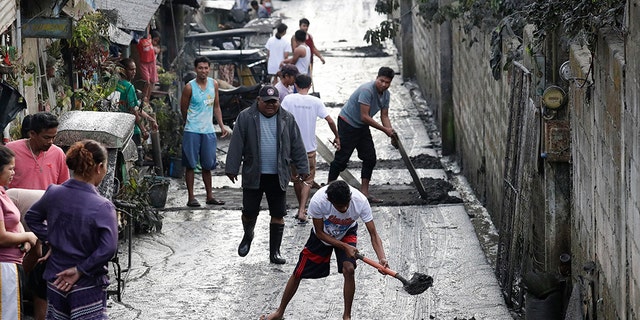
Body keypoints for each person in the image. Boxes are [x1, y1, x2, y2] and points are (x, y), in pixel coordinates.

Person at [260, 180, 389, 320]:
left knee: (349, 269)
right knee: (298, 272)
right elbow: (320, 232)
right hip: (322, 236)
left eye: (347, 204)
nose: (345, 209)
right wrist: (344, 246)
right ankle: (279, 312)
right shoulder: (319, 201)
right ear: (329, 200)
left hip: (347, 231)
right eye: (340, 206)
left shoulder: (361, 201)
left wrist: (381, 258)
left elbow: (374, 234)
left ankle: (347, 316)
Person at [25, 139, 118, 320]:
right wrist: (81, 269)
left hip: (55, 280)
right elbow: (108, 248)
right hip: (87, 284)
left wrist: (52, 238)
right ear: (99, 167)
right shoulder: (103, 206)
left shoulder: (54, 193)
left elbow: (32, 218)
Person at [225, 84, 309, 264]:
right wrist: (232, 167)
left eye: (274, 102)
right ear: (258, 101)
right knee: (249, 211)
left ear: (279, 101)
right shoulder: (246, 117)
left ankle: (275, 252)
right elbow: (236, 143)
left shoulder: (287, 118)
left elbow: (297, 145)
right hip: (253, 173)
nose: (271, 105)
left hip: (278, 174)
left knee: (278, 213)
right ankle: (248, 235)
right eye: (267, 102)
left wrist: (303, 168)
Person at [6, 111, 71, 320]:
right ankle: (21, 289)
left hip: (45, 221)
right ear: (32, 133)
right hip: (14, 218)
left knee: (43, 264)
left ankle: (33, 296)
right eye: (46, 137)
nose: (50, 142)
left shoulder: (58, 154)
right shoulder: (11, 151)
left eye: (54, 137)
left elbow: (63, 189)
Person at [327, 67, 396, 203]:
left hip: (362, 126)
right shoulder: (367, 90)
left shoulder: (386, 95)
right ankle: (328, 192)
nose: (383, 84)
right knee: (341, 159)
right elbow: (364, 116)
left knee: (370, 158)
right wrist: (384, 130)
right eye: (381, 81)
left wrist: (391, 132)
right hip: (348, 123)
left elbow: (385, 115)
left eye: (387, 82)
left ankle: (365, 193)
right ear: (377, 78)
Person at [281, 74, 339, 223]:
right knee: (308, 179)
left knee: (296, 180)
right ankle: (302, 210)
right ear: (310, 85)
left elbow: (279, 119)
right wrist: (337, 136)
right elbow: (330, 120)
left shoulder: (288, 100)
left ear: (295, 85)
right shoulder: (316, 101)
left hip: (292, 148)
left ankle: (301, 208)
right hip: (309, 149)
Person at [180, 56, 229, 207]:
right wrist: (189, 122)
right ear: (196, 69)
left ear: (209, 69)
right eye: (200, 68)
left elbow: (216, 106)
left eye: (206, 68)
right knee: (191, 165)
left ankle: (209, 196)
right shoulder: (189, 87)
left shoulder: (214, 84)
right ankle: (191, 197)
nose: (203, 71)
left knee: (208, 165)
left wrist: (221, 125)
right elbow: (183, 108)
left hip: (208, 130)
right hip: (192, 130)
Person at [0, 146, 38, 319]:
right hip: (4, 266)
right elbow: (1, 237)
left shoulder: (3, 193)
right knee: (8, 314)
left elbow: (15, 222)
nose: (13, 173)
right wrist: (29, 236)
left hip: (12, 264)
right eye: (10, 168)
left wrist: (24, 238)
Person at [116, 58, 159, 146]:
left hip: (117, 127)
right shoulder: (129, 87)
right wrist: (143, 130)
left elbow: (136, 107)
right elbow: (133, 110)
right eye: (131, 69)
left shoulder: (115, 83)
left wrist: (151, 120)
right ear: (123, 70)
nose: (134, 72)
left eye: (135, 69)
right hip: (130, 129)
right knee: (135, 157)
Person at [137, 27, 161, 106]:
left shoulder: (149, 37)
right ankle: (144, 98)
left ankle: (148, 98)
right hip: (143, 63)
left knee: (153, 81)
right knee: (146, 81)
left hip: (152, 62)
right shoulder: (139, 40)